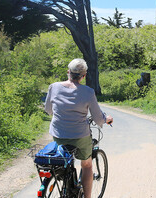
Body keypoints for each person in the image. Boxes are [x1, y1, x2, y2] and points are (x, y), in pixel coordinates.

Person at [44, 58, 113, 198]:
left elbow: (48, 110)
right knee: (86, 165)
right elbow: (98, 118)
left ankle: (65, 181)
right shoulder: (88, 92)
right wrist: (107, 119)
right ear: (84, 75)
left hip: (58, 135)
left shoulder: (54, 87)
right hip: (80, 136)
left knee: (64, 160)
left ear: (68, 72)